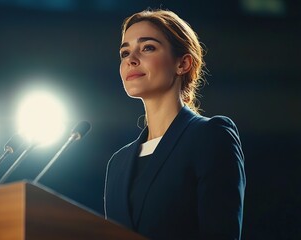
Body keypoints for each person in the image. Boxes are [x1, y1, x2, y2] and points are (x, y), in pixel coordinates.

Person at [103, 9, 246, 240]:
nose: (131, 59)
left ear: (183, 63)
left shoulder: (210, 136)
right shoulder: (117, 164)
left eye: (148, 47)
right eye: (124, 52)